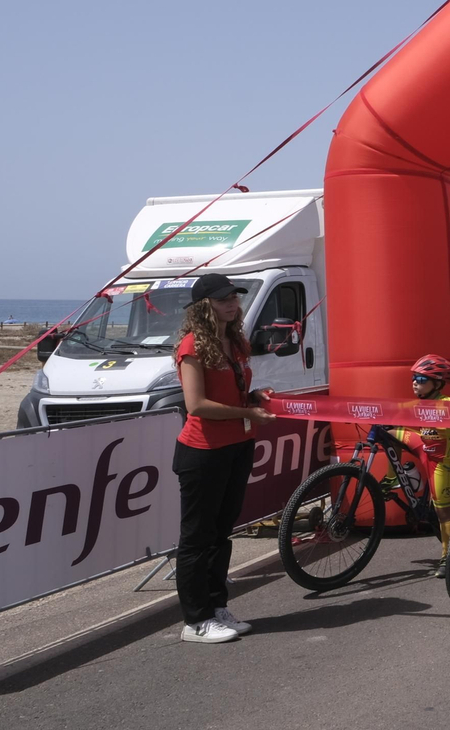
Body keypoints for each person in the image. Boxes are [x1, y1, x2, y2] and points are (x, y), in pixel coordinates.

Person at [173, 274, 275, 643]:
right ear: (204, 306)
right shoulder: (191, 345)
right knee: (197, 538)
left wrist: (253, 398)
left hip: (237, 445)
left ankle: (217, 608)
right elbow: (196, 405)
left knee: (220, 535)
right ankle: (195, 621)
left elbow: (234, 395)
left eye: (234, 297)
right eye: (222, 299)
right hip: (202, 451)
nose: (231, 304)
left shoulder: (234, 341)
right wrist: (246, 414)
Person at [386, 355, 450, 578]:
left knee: (442, 512)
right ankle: (394, 477)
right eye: (413, 378)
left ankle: (449, 557)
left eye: (420, 379)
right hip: (423, 445)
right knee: (387, 430)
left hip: (441, 461)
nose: (414, 382)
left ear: (437, 383)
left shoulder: (446, 401)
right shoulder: (420, 403)